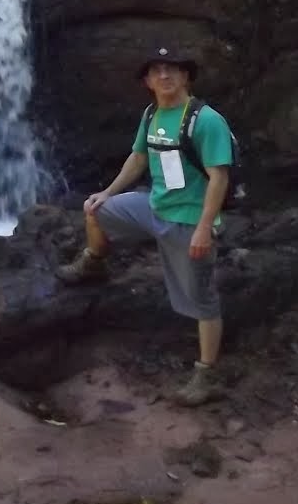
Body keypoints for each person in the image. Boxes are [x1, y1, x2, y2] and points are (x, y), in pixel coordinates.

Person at [55, 46, 234, 407]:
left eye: (172, 70)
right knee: (96, 211)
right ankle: (94, 262)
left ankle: (207, 374)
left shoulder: (206, 120)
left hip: (188, 220)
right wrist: (106, 192)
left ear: (186, 77)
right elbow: (138, 158)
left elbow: (219, 177)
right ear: (147, 82)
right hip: (153, 206)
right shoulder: (152, 114)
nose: (164, 76)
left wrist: (204, 228)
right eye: (156, 72)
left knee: (201, 299)